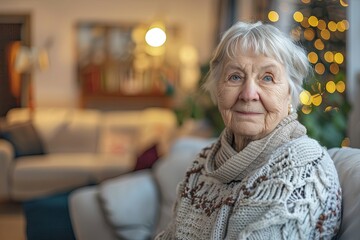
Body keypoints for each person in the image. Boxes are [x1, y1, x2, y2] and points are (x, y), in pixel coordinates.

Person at [155, 21, 342, 239]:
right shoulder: (202, 164)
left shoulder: (304, 169)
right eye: (235, 77)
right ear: (218, 90)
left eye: (267, 78)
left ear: (291, 94)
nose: (248, 93)